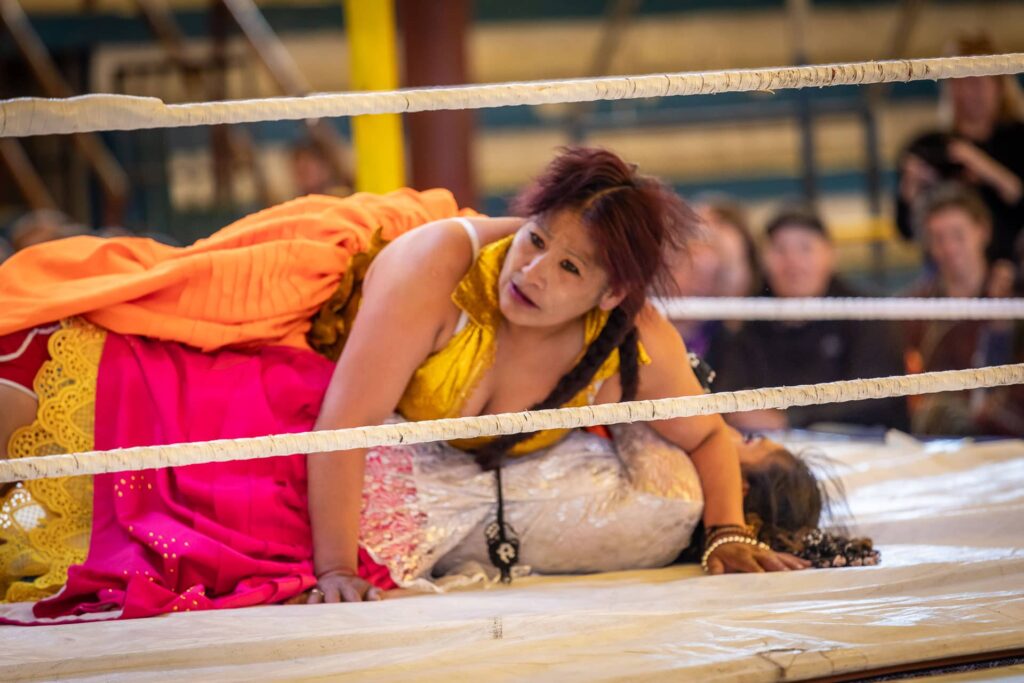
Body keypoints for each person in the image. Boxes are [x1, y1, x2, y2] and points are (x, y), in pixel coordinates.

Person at [0, 147, 809, 621]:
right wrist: (330, 566)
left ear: (608, 297)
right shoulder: (442, 267)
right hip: (323, 317)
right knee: (165, 359)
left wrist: (729, 531)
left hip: (361, 433)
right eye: (532, 240)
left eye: (567, 267)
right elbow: (343, 417)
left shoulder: (633, 341)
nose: (530, 272)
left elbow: (705, 433)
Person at [712, 206, 909, 433]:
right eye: (780, 250)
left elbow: (877, 399)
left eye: (805, 248)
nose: (793, 262)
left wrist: (789, 420)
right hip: (772, 453)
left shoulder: (867, 313)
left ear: (830, 254)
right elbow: (729, 393)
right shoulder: (752, 318)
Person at [895, 34, 1024, 264]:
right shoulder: (930, 146)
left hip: (1012, 268)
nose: (968, 92)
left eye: (977, 81)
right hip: (946, 271)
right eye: (959, 81)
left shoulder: (1018, 139)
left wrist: (981, 165)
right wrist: (911, 191)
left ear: (999, 85)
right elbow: (905, 231)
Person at [904, 183, 1019, 434]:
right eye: (938, 238)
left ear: (983, 231)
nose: (949, 248)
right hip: (934, 442)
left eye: (958, 234)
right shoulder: (912, 308)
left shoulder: (1014, 298)